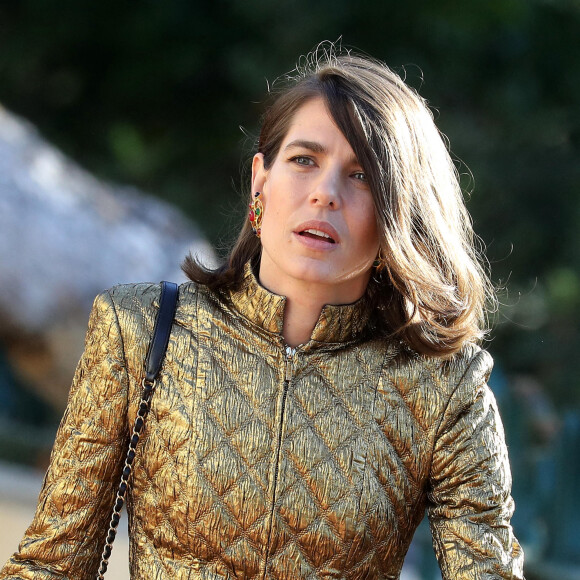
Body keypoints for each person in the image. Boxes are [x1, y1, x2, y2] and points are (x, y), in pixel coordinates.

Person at [1, 46, 525, 579]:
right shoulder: (139, 328)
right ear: (261, 180)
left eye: (362, 175)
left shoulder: (445, 387)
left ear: (398, 210)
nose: (325, 194)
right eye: (304, 160)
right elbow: (51, 564)